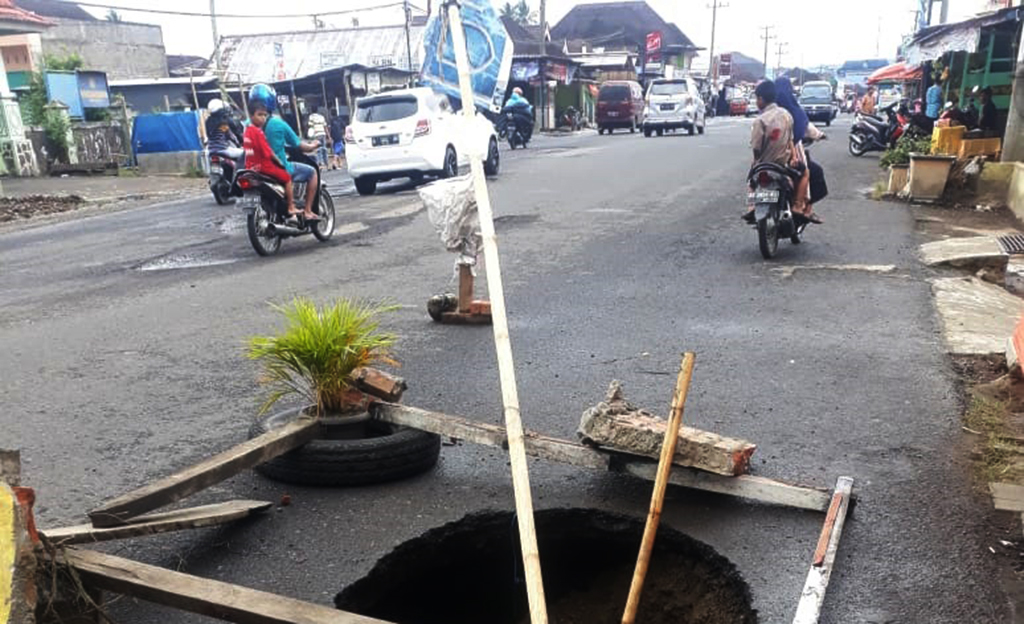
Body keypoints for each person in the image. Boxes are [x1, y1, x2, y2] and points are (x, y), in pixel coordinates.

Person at [250, 83, 321, 222]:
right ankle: (307, 211)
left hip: (256, 169)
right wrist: (313, 145)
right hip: (275, 167)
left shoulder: (247, 124)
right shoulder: (278, 124)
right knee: (312, 172)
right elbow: (300, 146)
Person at [774, 77, 820, 224]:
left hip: (768, 155)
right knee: (807, 171)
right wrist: (820, 135)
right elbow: (806, 130)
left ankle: (751, 206)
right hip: (791, 151)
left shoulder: (770, 108)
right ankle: (800, 205)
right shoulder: (793, 110)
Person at [244, 100, 300, 221]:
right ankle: (291, 206)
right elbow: (268, 152)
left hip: (250, 167)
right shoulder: (258, 132)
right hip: (263, 166)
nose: (263, 118)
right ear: (251, 115)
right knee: (287, 177)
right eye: (259, 114)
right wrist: (279, 162)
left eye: (265, 115)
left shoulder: (247, 131)